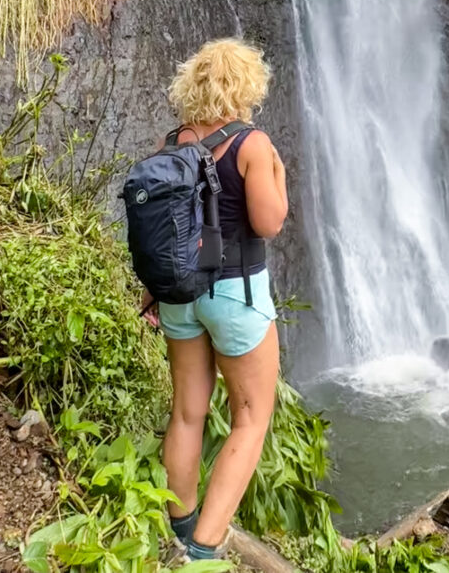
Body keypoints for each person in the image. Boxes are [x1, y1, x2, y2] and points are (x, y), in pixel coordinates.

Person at [140, 38, 288, 562]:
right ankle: (203, 551)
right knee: (250, 417)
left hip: (180, 295)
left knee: (187, 412)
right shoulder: (251, 144)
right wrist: (278, 173)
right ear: (246, 86)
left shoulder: (172, 142)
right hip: (236, 296)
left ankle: (178, 526)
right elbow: (269, 222)